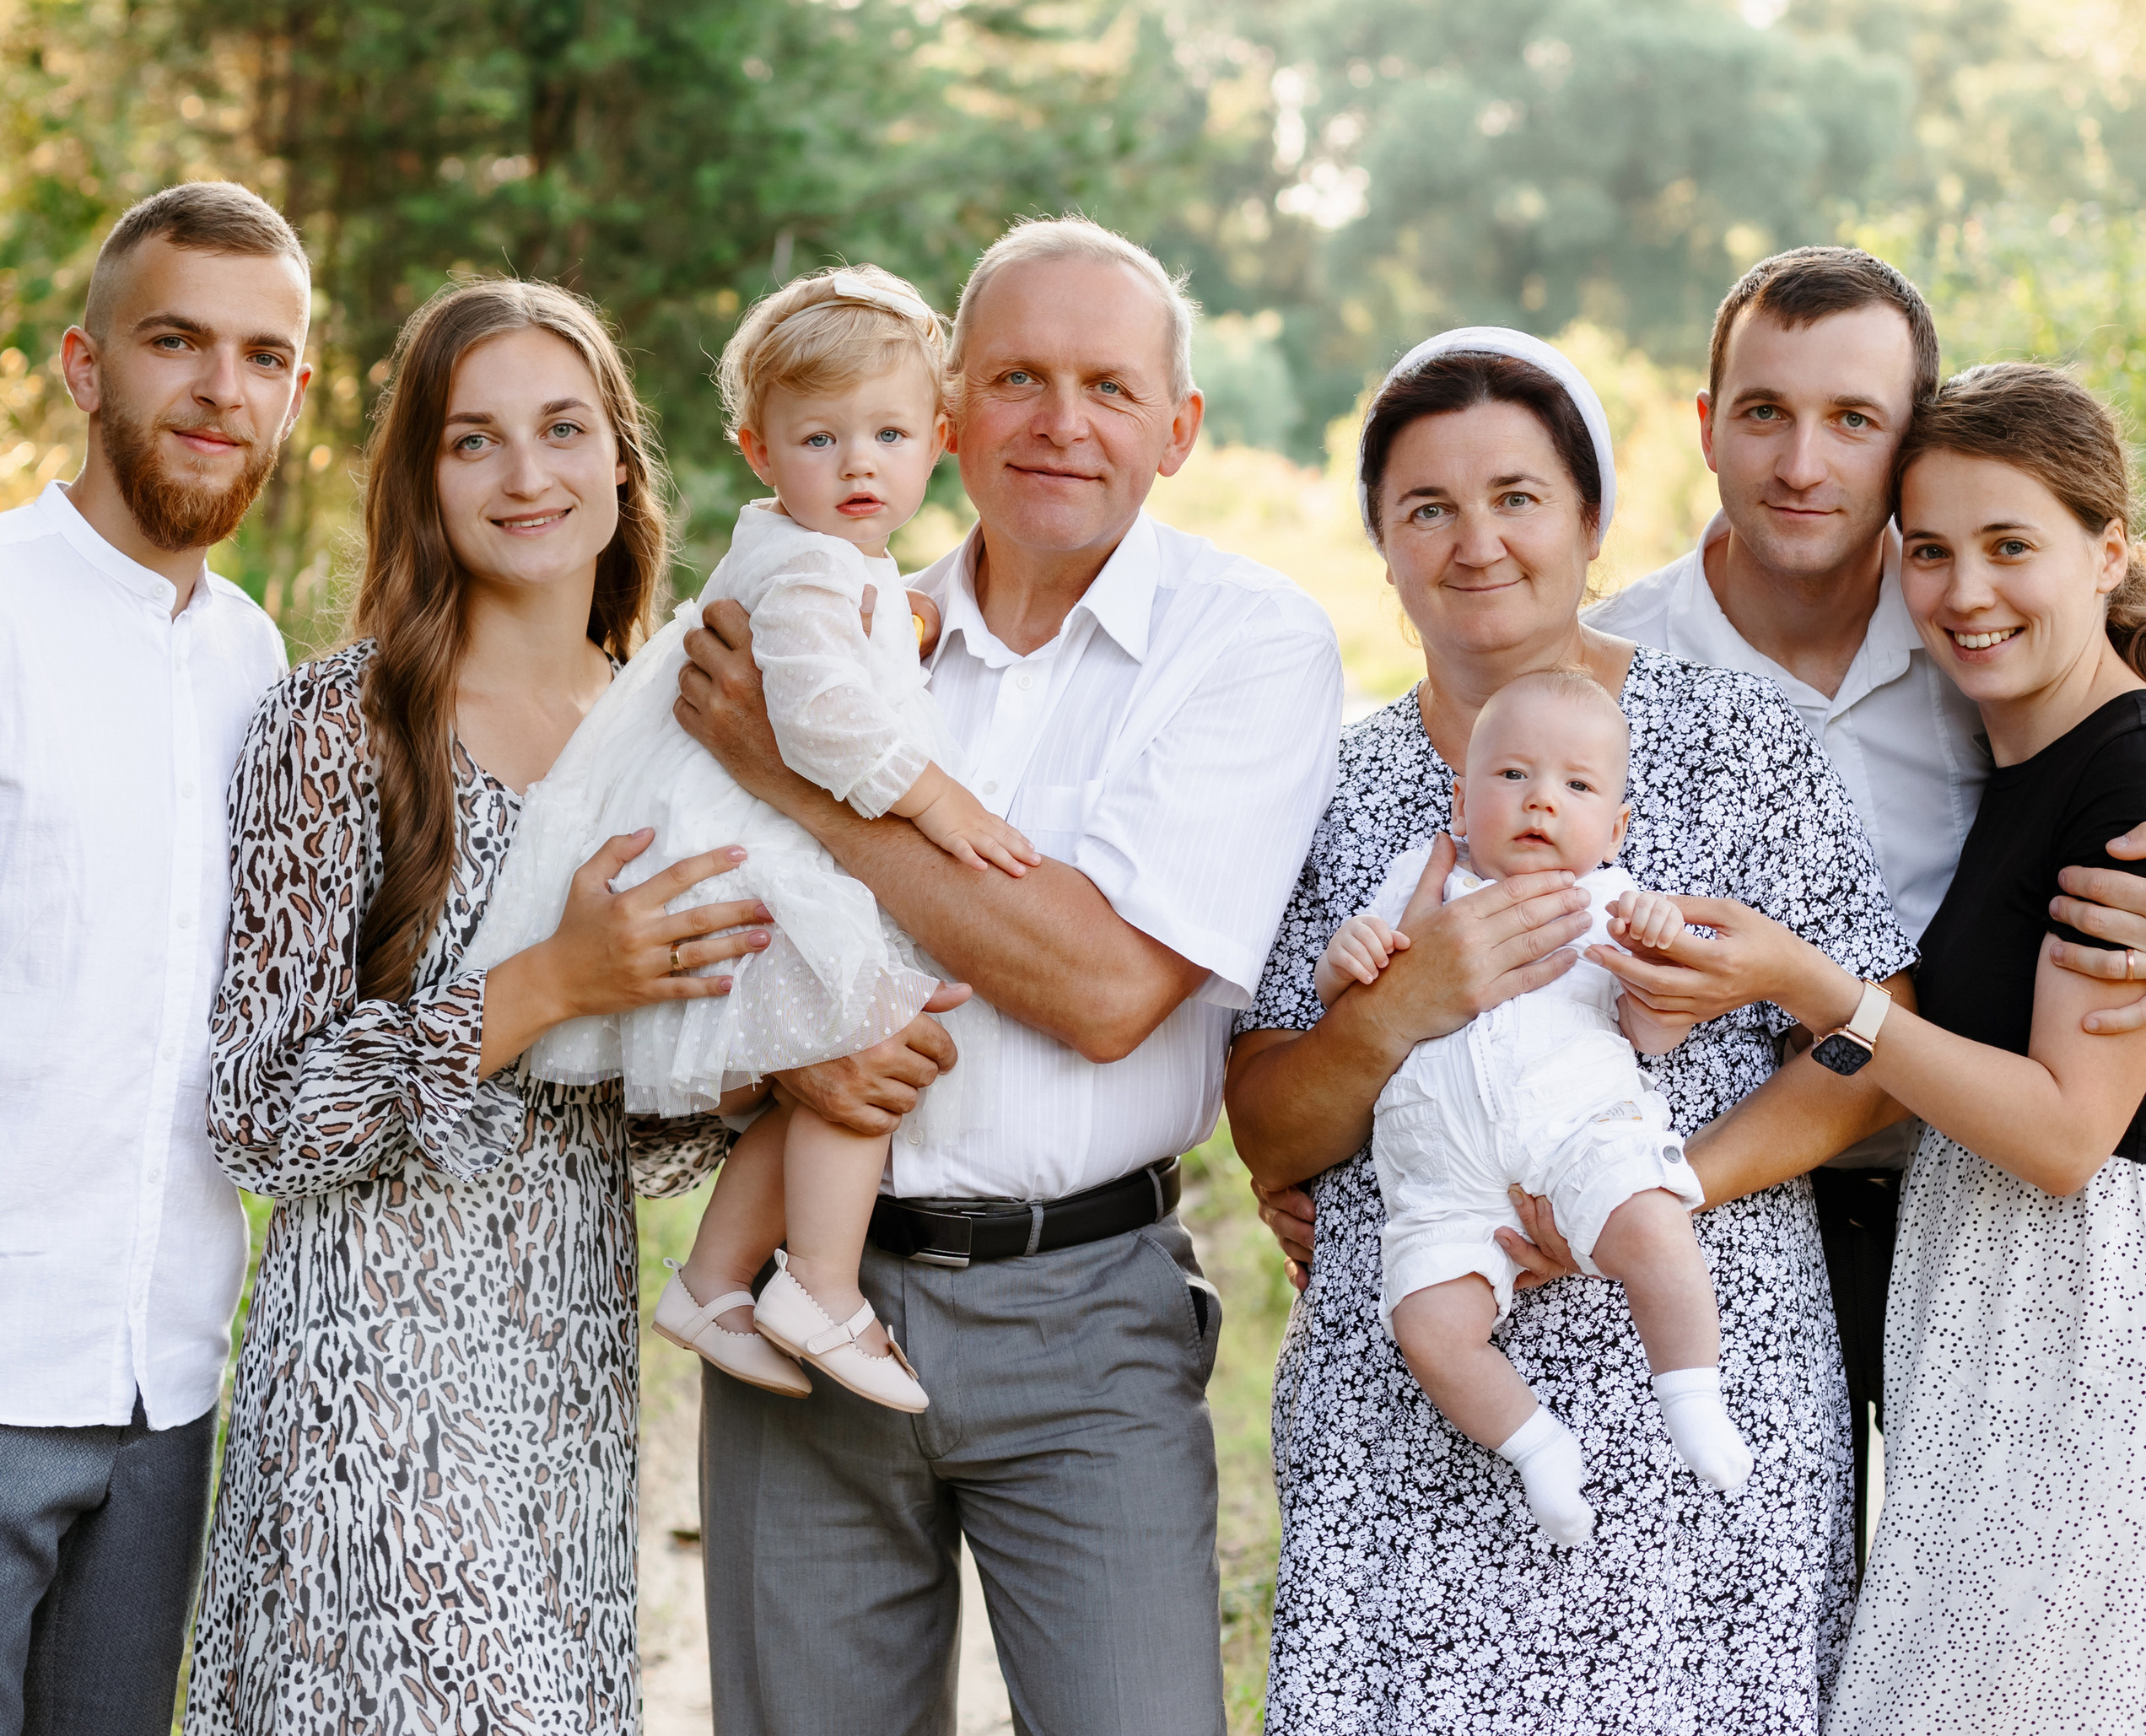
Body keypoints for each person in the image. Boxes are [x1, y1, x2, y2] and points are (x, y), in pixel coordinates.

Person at [673, 217, 1343, 1736]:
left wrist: (801, 785)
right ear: (954, 406)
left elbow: (1106, 991)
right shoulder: (837, 631)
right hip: (809, 1312)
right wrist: (781, 1060)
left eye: (1110, 386)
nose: (1060, 422)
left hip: (1086, 1317)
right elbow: (696, 928)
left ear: (1177, 430)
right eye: (1020, 379)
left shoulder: (1247, 646)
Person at [1224, 326, 1914, 1733]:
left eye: (1519, 498)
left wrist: (1653, 1192)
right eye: (1428, 507)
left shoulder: (1744, 745)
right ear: (1384, 543)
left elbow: (1872, 1054)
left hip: (1696, 1404)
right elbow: (1269, 1124)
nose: (1476, 542)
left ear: (1592, 521)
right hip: (1409, 1415)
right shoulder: (1338, 794)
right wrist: (1404, 1009)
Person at [184, 281, 772, 1735]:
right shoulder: (336, 726)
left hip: (565, 1384)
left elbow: (620, 1144)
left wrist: (748, 1083)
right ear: (421, 481)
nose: (528, 476)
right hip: (367, 1381)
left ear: (621, 463)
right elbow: (260, 1120)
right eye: (475, 441)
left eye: (563, 429)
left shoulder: (674, 734)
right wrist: (547, 984)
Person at [1584, 243, 2146, 1552]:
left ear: (1907, 441)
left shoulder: (1991, 643)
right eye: (1764, 412)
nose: (1803, 463)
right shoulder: (1614, 671)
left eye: (1853, 420)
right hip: (1729, 1234)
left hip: (2003, 1244)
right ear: (1707, 426)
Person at [1668, 364, 2146, 1733]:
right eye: (1931, 551)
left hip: (2079, 1351)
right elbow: (1937, 1061)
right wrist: (1648, 1181)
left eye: (2012, 546)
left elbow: (2069, 1138)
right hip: (1983, 1346)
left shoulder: (2129, 785)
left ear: (2107, 552)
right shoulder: (2027, 764)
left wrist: (1814, 984)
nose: (1966, 591)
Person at [466, 266, 1010, 1417]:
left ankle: (717, 1282)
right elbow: (814, 722)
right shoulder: (811, 568)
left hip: (754, 845)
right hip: (759, 855)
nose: (859, 463)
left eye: (889, 434)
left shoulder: (832, 565)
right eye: (821, 439)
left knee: (820, 1079)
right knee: (863, 1045)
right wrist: (936, 800)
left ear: (939, 440)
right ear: (759, 452)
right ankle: (817, 1283)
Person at [0, 184, 312, 1736]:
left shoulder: (259, 662)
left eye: (263, 356)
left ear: (297, 394)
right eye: (176, 341)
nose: (220, 390)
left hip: (169, 1386)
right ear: (83, 365)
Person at [1320, 666, 1745, 1550]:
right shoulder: (1420, 883)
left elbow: (1648, 1031)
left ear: (1616, 826)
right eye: (1512, 775)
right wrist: (1350, 954)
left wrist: (1661, 946)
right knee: (1427, 1326)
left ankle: (1693, 1396)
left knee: (1656, 1232)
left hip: (1578, 1140)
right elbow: (1343, 997)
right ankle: (1537, 1446)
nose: (1540, 802)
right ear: (1461, 795)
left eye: (1577, 785)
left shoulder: (1609, 903)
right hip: (1442, 1175)